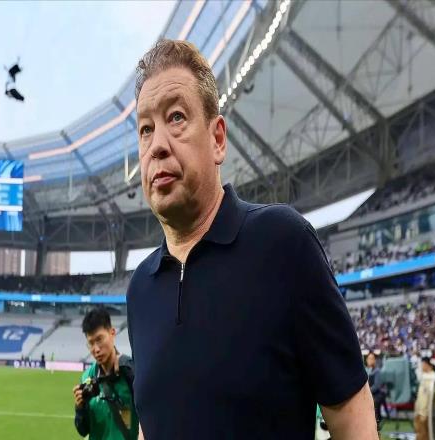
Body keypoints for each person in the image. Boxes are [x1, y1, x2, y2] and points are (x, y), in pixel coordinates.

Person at [126, 39, 377, 440]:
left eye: (176, 117)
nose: (157, 145)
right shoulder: (140, 288)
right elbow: (151, 424)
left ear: (217, 139)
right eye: (145, 129)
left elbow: (351, 415)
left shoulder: (282, 243)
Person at [73, 307, 138, 440]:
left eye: (99, 339)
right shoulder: (87, 378)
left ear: (112, 333)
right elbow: (83, 430)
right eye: (91, 343)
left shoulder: (131, 372)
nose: (96, 349)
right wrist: (80, 408)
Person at [414, 357, 435, 440]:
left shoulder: (433, 377)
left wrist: (424, 412)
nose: (421, 367)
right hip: (420, 411)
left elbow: (429, 397)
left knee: (424, 435)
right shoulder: (425, 377)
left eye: (422, 365)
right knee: (419, 434)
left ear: (427, 365)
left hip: (426, 413)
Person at [365, 351, 386, 432]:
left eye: (372, 358)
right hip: (368, 393)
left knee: (374, 402)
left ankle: (376, 422)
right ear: (366, 360)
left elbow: (376, 386)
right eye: (369, 358)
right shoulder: (365, 370)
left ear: (375, 360)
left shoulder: (377, 371)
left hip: (378, 393)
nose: (370, 360)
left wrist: (366, 392)